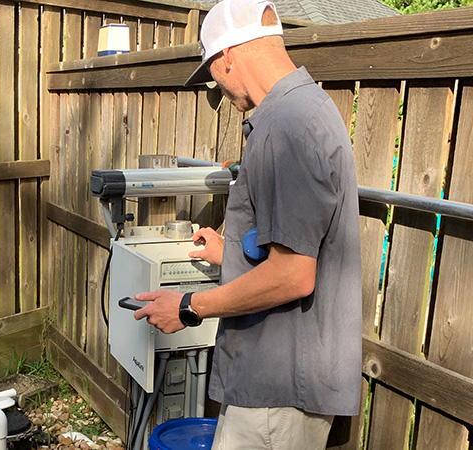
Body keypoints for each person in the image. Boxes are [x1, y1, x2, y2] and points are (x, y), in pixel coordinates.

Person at [132, 0, 363, 448]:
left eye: (213, 74)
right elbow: (296, 239)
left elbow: (294, 274)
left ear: (227, 57)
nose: (218, 88)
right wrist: (231, 252)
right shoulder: (309, 107)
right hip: (285, 383)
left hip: (278, 388)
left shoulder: (285, 127)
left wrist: (188, 307)